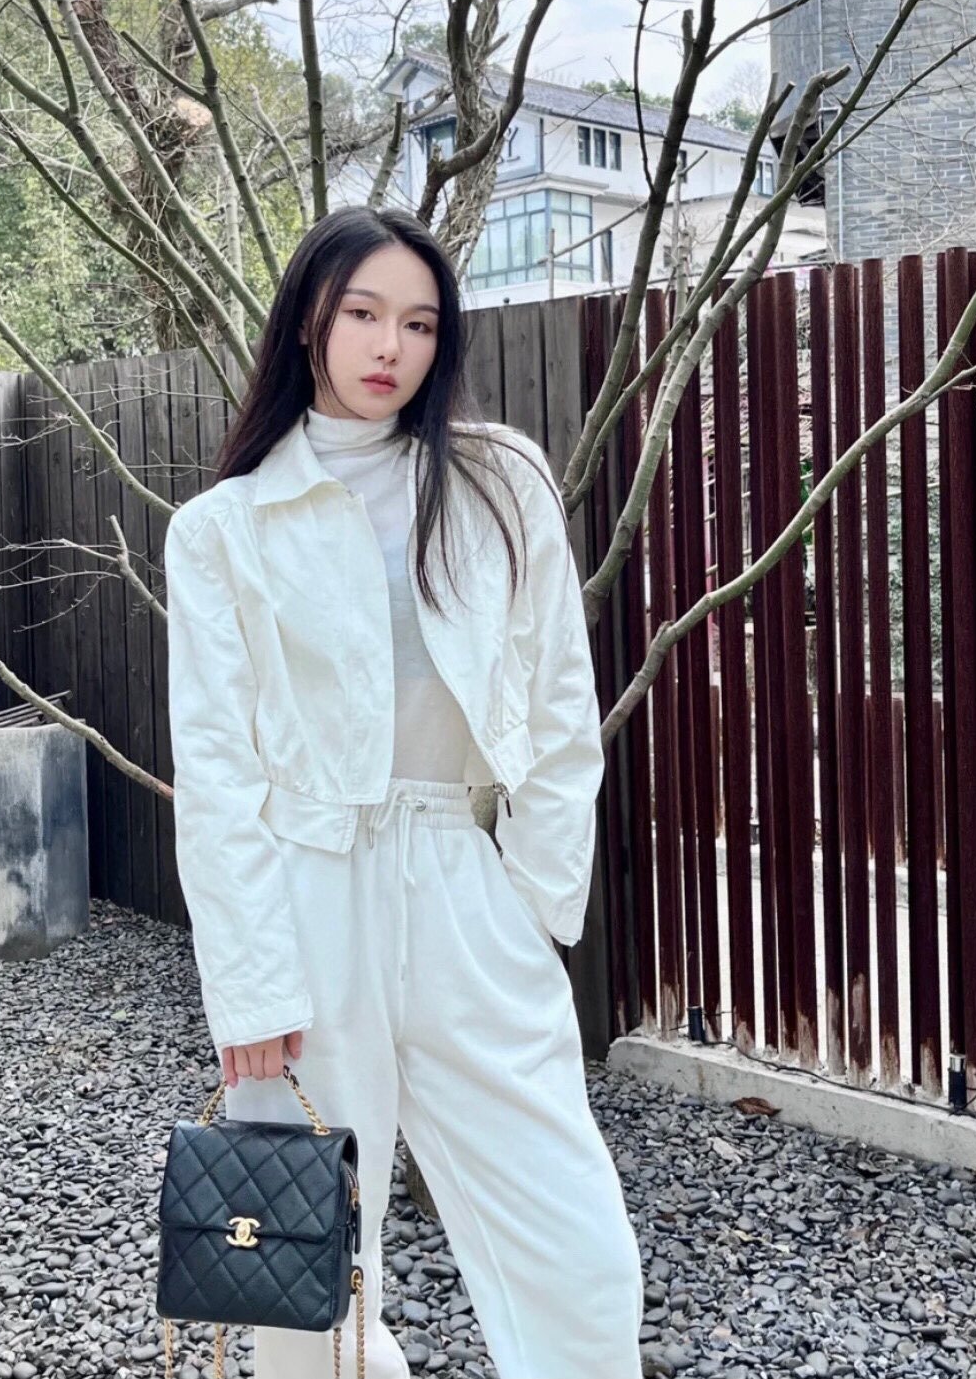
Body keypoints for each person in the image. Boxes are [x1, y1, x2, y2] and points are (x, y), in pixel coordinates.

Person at [164, 204, 645, 1379]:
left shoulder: (498, 482)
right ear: (307, 323)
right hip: (304, 892)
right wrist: (250, 983)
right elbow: (217, 770)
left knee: (573, 1238)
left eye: (421, 323)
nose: (392, 346)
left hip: (463, 881)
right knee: (307, 1263)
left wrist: (532, 903)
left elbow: (558, 702)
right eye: (364, 313)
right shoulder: (223, 529)